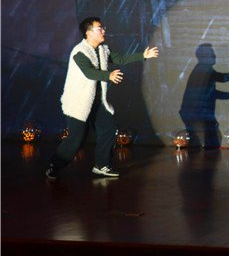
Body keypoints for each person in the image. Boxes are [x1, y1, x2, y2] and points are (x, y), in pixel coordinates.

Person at [45, 17, 159, 180]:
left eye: (103, 28)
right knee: (77, 139)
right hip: (78, 103)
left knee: (108, 127)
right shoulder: (80, 52)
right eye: (100, 28)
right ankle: (54, 165)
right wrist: (108, 75)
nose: (104, 31)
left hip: (98, 102)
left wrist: (143, 55)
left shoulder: (103, 49)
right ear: (88, 33)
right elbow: (89, 72)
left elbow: (120, 59)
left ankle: (102, 165)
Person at [180, 43, 229, 148]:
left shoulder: (202, 69)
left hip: (191, 112)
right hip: (196, 112)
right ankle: (210, 154)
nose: (214, 56)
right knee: (210, 135)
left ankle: (207, 153)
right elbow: (222, 79)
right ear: (203, 57)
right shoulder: (204, 70)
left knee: (202, 138)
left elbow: (210, 92)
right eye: (211, 54)